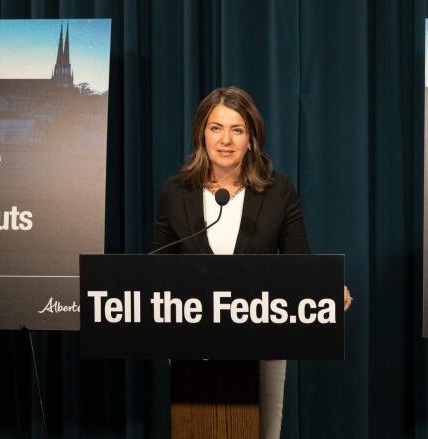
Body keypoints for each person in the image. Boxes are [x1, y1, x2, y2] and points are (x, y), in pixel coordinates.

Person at [152, 86, 352, 439]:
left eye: (237, 129)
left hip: (264, 340)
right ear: (202, 133)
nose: (226, 140)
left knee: (264, 433)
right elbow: (156, 269)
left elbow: (299, 262)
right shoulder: (175, 191)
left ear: (251, 139)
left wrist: (326, 289)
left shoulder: (278, 190)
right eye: (216, 128)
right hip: (191, 340)